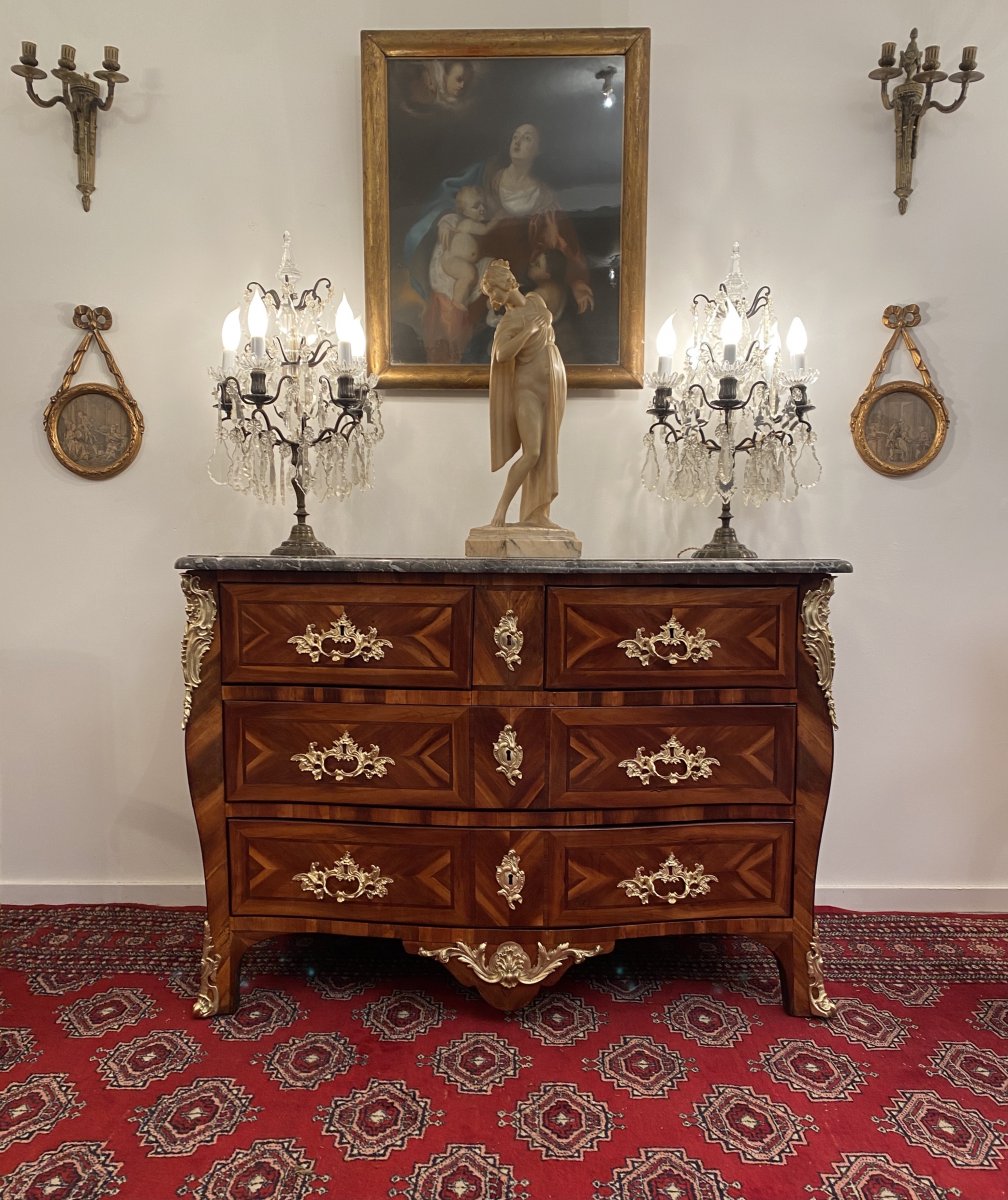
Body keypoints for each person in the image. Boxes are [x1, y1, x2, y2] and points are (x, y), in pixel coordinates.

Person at [479, 259, 567, 527]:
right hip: (527, 391)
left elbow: (548, 314)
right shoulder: (508, 322)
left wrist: (545, 319)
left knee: (548, 450)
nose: (492, 297)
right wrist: (529, 330)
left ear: (507, 282)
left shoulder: (535, 300)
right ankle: (500, 511)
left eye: (492, 290)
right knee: (532, 452)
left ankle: (537, 515)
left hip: (553, 385)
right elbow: (501, 354)